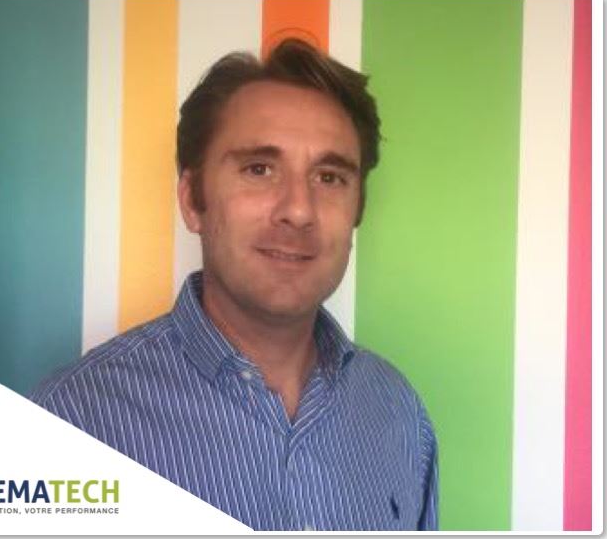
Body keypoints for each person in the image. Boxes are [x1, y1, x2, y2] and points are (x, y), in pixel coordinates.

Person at [31, 38, 438, 531]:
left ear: (357, 211)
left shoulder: (398, 413)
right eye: (259, 169)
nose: (299, 210)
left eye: (330, 177)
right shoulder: (71, 420)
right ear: (192, 201)